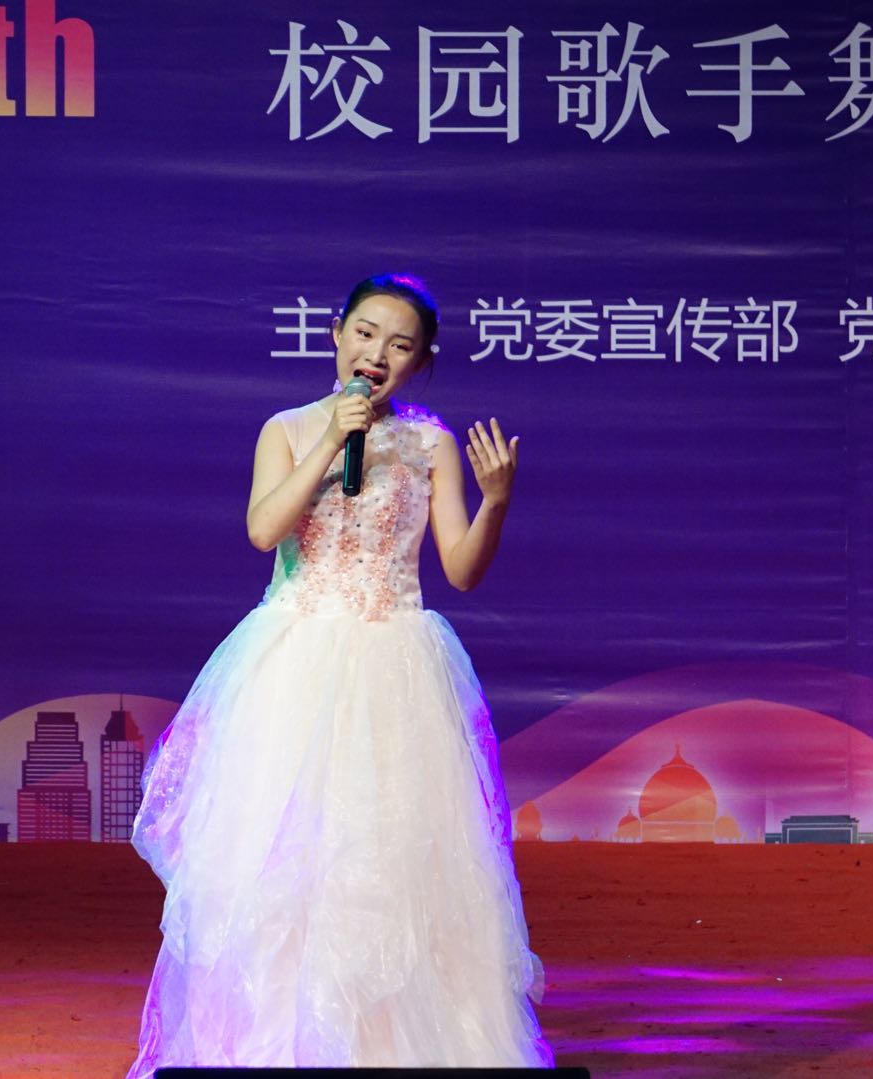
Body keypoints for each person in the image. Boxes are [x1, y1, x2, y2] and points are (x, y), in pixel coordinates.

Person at [126, 273, 554, 1072]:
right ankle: (274, 1048)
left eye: (399, 344)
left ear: (421, 360)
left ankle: (388, 1049)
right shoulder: (287, 428)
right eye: (364, 333)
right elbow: (263, 530)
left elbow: (461, 570)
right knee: (282, 864)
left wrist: (495, 501)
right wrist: (331, 437)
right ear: (335, 333)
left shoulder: (430, 444)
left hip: (395, 668)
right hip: (294, 665)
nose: (376, 354)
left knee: (390, 866)